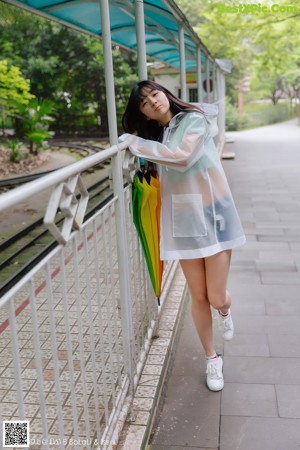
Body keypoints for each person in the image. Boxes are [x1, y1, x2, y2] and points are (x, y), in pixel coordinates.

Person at [120, 80, 246, 391]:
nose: (153, 103)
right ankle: (212, 358)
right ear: (145, 115)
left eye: (154, 95)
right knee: (198, 296)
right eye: (146, 104)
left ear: (164, 93)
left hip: (216, 215)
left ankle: (226, 310)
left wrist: (132, 143)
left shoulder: (194, 119)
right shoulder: (158, 136)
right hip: (185, 223)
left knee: (216, 296)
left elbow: (183, 157)